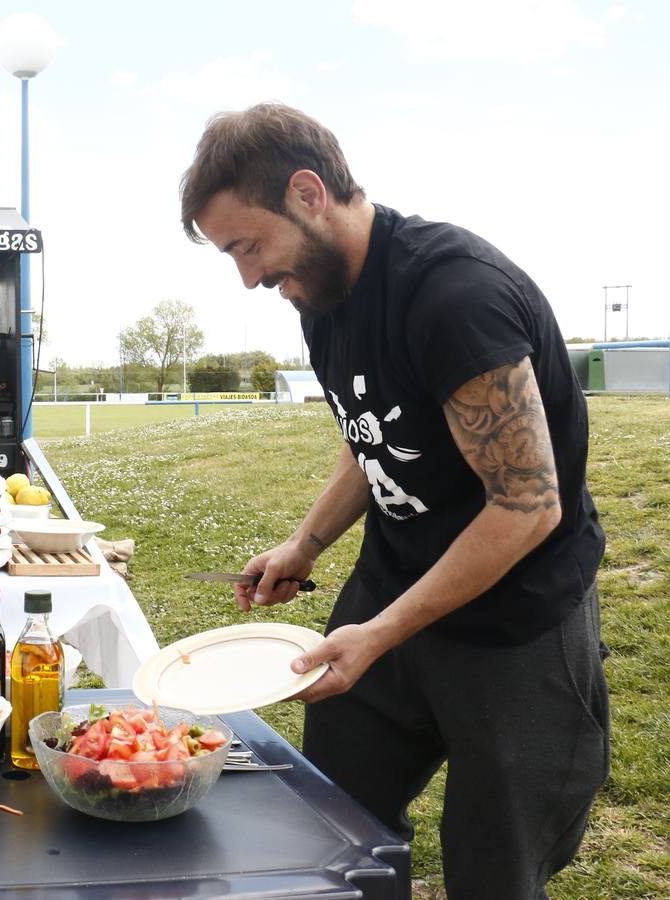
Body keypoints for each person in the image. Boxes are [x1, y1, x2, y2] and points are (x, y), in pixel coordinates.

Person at [180, 102, 608, 897]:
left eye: (247, 245)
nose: (249, 276)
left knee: (495, 868)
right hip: (392, 587)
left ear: (308, 193)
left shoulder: (455, 296)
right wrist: (305, 544)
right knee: (333, 830)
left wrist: (380, 631)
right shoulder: (323, 297)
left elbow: (528, 505)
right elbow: (372, 426)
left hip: (512, 620)